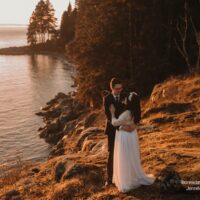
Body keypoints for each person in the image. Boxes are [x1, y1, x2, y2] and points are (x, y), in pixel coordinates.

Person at [109, 92, 155, 193]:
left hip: (124, 137)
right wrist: (128, 127)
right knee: (131, 156)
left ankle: (126, 180)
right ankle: (133, 175)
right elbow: (134, 126)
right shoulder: (137, 112)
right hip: (132, 136)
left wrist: (112, 113)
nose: (124, 100)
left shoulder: (127, 113)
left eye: (126, 99)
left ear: (129, 102)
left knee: (124, 157)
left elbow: (114, 123)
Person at [103, 78, 139, 186]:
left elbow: (134, 109)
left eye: (121, 88)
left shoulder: (126, 95)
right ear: (112, 88)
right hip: (113, 130)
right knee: (111, 153)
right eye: (117, 89)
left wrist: (133, 124)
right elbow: (109, 116)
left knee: (124, 153)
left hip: (125, 131)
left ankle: (124, 175)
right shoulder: (107, 99)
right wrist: (120, 127)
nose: (120, 90)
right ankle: (110, 178)